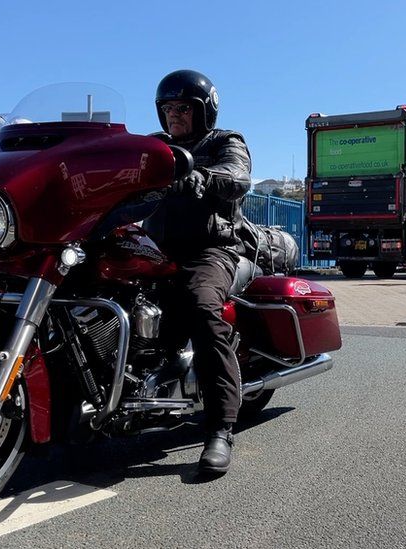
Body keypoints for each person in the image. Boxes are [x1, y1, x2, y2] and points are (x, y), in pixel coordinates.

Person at [150, 69, 252, 474]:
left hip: (213, 249)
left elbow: (238, 174)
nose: (174, 115)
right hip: (155, 250)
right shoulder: (155, 147)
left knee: (200, 305)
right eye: (168, 108)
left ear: (203, 110)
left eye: (183, 108)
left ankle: (220, 428)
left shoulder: (225, 141)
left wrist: (203, 177)